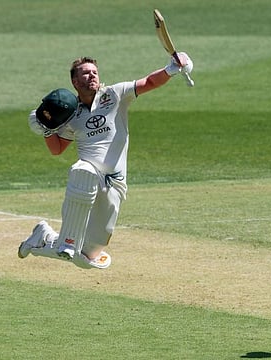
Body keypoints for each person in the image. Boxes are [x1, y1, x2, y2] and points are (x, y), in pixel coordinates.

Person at [18, 52, 193, 269]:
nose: (91, 76)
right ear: (75, 81)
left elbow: (148, 82)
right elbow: (57, 149)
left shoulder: (115, 94)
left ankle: (43, 237)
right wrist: (46, 131)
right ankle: (68, 240)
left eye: (94, 72)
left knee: (88, 257)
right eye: (85, 73)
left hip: (115, 181)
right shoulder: (71, 114)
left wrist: (171, 70)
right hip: (88, 173)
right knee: (84, 171)